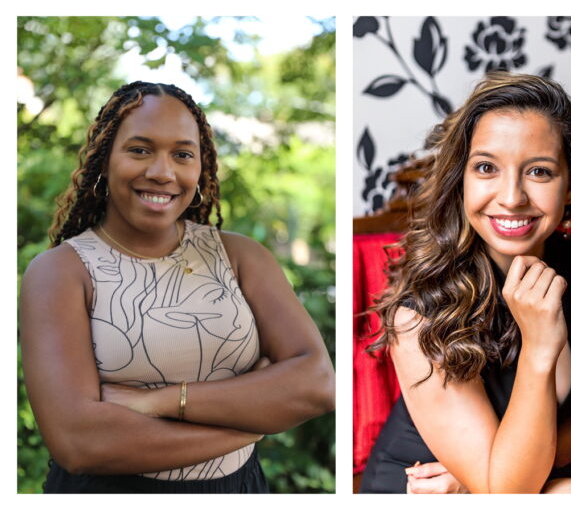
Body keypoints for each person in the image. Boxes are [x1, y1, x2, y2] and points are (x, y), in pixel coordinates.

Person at [19, 81, 336, 493]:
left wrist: (156, 402)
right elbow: (80, 443)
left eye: (182, 155)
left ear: (200, 168)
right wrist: (251, 426)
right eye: (139, 150)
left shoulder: (240, 257)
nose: (162, 172)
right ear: (104, 160)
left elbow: (317, 383)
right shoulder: (61, 271)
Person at [358, 72, 571, 494]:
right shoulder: (420, 312)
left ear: (570, 186)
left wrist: (485, 475)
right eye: (486, 167)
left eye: (539, 171)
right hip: (423, 484)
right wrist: (540, 344)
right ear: (460, 180)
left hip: (506, 478)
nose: (511, 197)